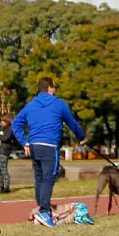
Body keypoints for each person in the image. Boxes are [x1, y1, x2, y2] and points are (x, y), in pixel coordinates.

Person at [11, 78, 84, 227]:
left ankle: (40, 208)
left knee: (39, 178)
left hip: (34, 146)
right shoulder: (59, 104)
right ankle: (44, 211)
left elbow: (16, 123)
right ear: (50, 88)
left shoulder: (30, 106)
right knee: (48, 178)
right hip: (50, 146)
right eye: (54, 87)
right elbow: (72, 122)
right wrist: (82, 136)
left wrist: (24, 142)